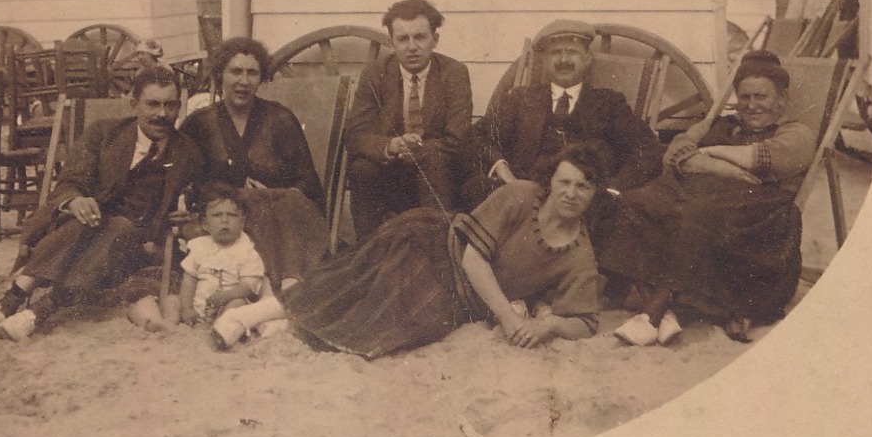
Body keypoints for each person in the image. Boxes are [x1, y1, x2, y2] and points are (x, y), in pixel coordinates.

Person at [209, 144, 610, 359]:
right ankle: (248, 316)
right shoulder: (522, 196)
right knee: (357, 280)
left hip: (467, 298)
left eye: (584, 187)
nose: (571, 194)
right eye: (566, 182)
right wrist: (508, 316)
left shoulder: (578, 253)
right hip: (436, 245)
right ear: (552, 181)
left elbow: (586, 322)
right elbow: (472, 255)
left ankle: (285, 322)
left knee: (392, 324)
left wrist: (551, 326)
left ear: (594, 194)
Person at [0, 65, 205, 341]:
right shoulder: (104, 134)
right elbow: (69, 183)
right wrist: (76, 201)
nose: (162, 114)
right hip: (85, 229)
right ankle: (10, 305)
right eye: (152, 104)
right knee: (89, 218)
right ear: (133, 103)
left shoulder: (188, 153)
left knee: (118, 227)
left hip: (137, 245)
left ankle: (35, 309)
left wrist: (188, 216)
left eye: (170, 105)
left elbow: (201, 202)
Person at [594, 51, 816, 346]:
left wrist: (708, 153)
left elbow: (760, 159)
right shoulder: (720, 125)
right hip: (703, 197)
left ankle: (654, 312)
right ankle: (672, 308)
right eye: (745, 97)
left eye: (761, 97)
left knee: (695, 217)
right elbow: (675, 150)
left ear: (781, 100)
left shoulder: (797, 133)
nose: (751, 106)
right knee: (636, 202)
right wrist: (713, 165)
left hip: (760, 215)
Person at [461, 21, 663, 238]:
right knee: (477, 190)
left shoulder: (609, 103)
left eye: (573, 52)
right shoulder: (521, 99)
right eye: (556, 53)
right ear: (545, 61)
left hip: (585, 200)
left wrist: (614, 187)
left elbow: (646, 147)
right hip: (525, 193)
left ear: (588, 59)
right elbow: (477, 136)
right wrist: (505, 174)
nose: (564, 60)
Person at [177, 37, 331, 287]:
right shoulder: (200, 123)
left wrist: (275, 195)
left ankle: (284, 283)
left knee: (280, 205)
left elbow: (308, 181)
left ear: (261, 78)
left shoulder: (280, 119)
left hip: (279, 219)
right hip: (224, 220)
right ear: (221, 75)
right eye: (235, 71)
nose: (243, 81)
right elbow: (186, 180)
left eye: (252, 73)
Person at [344, 0, 474, 239]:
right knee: (362, 169)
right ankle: (368, 253)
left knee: (434, 160)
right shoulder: (375, 73)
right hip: (392, 176)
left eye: (420, 37)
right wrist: (390, 146)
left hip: (439, 175)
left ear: (435, 40)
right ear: (392, 41)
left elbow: (459, 139)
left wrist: (418, 149)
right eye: (403, 39)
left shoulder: (454, 73)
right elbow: (356, 136)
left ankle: (434, 250)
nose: (412, 47)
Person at [128, 183, 267, 334]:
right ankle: (169, 323)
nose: (225, 221)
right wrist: (187, 308)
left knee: (238, 303)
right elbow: (189, 281)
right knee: (172, 300)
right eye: (217, 215)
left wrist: (227, 296)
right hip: (197, 308)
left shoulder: (247, 251)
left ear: (242, 223)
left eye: (232, 215)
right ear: (206, 225)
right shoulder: (200, 247)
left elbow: (248, 286)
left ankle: (222, 328)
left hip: (227, 305)